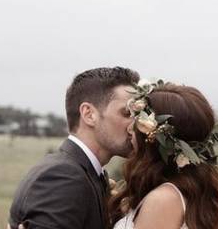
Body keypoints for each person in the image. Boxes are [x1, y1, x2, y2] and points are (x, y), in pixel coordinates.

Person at [8, 66, 139, 229]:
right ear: (89, 114)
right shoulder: (63, 177)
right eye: (126, 113)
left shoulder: (87, 173)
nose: (135, 125)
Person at [110, 80, 218, 229]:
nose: (130, 129)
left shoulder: (163, 200)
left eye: (138, 121)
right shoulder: (189, 190)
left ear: (155, 136)